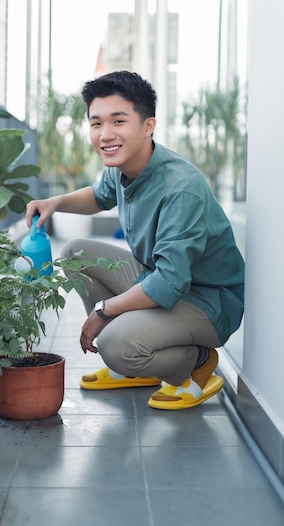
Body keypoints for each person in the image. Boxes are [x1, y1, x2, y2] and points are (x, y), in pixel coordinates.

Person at [26, 71, 244, 410]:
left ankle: (197, 362)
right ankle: (134, 367)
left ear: (147, 126)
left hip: (208, 301)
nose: (105, 134)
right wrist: (55, 203)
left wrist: (102, 312)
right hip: (159, 277)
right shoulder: (123, 165)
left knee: (116, 345)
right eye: (96, 123)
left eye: (118, 121)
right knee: (75, 254)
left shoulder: (180, 188)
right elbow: (99, 197)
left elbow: (171, 281)